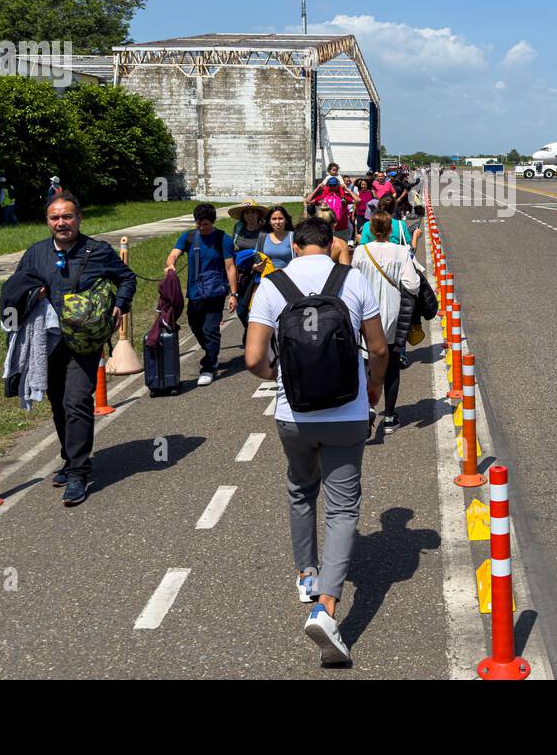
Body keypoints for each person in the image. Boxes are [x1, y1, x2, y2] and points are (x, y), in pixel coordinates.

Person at [245, 215, 389, 666]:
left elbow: (253, 358)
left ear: (295, 245)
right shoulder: (352, 279)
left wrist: (279, 376)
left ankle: (307, 573)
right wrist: (375, 387)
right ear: (330, 245)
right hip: (347, 412)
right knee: (343, 506)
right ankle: (326, 606)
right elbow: (380, 348)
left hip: (295, 414)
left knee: (300, 489)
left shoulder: (272, 285)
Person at [12, 190, 136, 506]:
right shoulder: (36, 253)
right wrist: (28, 298)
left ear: (79, 218)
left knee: (78, 401)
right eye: (55, 217)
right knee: (58, 404)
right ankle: (70, 458)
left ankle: (79, 473)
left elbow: (126, 279)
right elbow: (16, 288)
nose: (62, 223)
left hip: (83, 343)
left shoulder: (98, 251)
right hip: (48, 344)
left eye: (68, 216)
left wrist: (120, 305)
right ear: (48, 221)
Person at [352, 211, 420, 434]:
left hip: (365, 313)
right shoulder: (400, 251)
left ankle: (365, 408)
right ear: (391, 230)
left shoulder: (361, 252)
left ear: (370, 230)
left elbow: (352, 281)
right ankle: (389, 416)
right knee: (391, 366)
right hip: (391, 312)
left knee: (364, 364)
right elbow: (412, 284)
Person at [166, 203, 238, 387]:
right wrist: (171, 263)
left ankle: (209, 365)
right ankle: (211, 352)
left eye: (205, 223)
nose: (201, 227)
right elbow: (174, 253)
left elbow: (230, 267)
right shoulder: (189, 237)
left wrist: (233, 294)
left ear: (212, 222)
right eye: (198, 223)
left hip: (215, 292)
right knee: (195, 325)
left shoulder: (223, 239)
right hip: (195, 293)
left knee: (210, 329)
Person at [261, 205, 296, 270]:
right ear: (269, 221)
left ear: (286, 220)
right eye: (274, 219)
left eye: (280, 218)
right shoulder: (263, 236)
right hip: (267, 276)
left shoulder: (293, 236)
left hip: (287, 276)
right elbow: (257, 256)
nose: (277, 222)